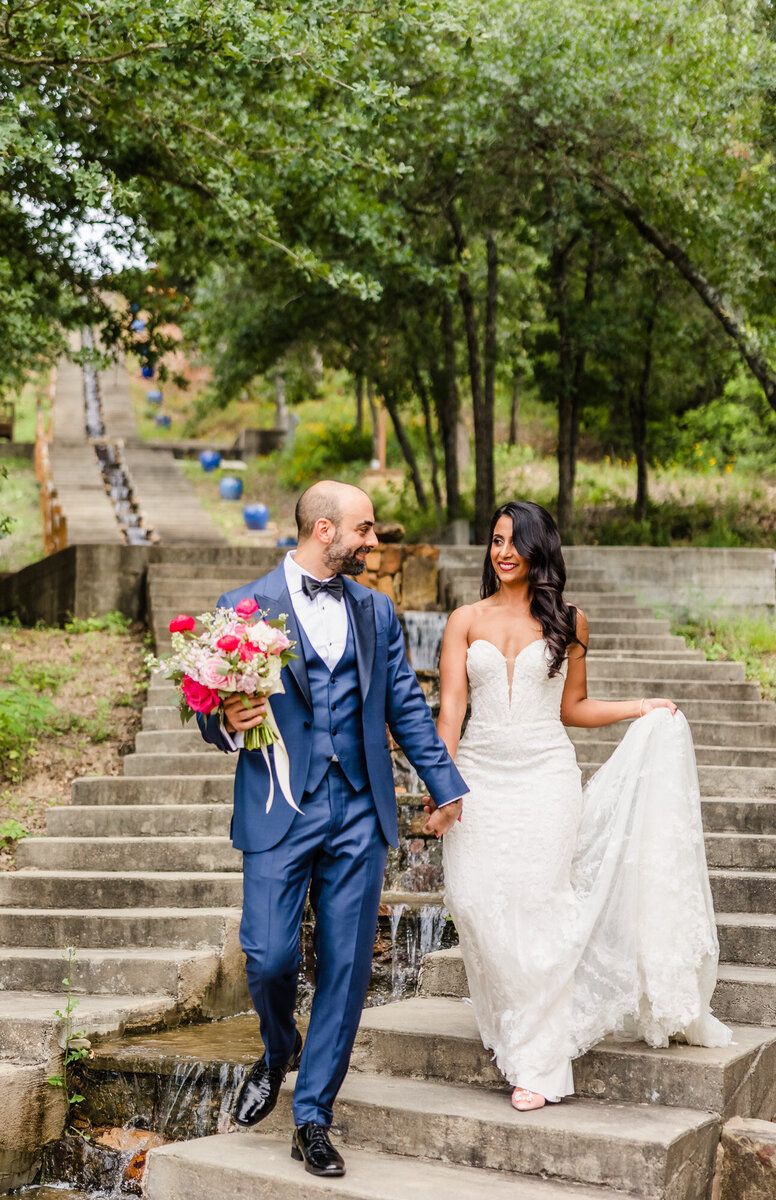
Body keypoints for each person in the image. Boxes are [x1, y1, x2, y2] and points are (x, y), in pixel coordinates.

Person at [424, 500, 731, 1112]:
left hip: (545, 778)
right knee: (475, 901)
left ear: (540, 549)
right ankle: (516, 1018)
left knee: (539, 905)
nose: (503, 552)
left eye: (514, 541)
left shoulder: (570, 621)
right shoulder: (464, 619)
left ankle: (539, 1062)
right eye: (495, 541)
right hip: (480, 777)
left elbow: (574, 709)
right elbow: (452, 708)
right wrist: (444, 788)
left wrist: (638, 707)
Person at [197, 481, 466, 1176]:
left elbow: (406, 704)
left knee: (347, 969)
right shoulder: (244, 608)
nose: (374, 543)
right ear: (325, 530)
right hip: (279, 806)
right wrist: (225, 721)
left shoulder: (377, 611)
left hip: (357, 808)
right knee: (268, 955)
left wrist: (446, 787)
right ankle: (279, 1041)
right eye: (365, 530)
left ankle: (314, 1115)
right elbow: (208, 706)